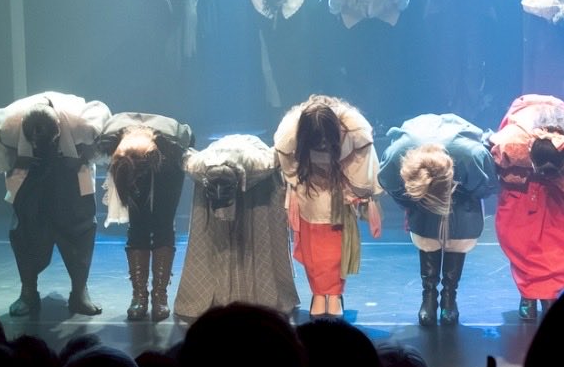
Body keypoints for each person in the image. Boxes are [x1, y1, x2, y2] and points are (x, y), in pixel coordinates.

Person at [0, 91, 112, 319]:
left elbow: (103, 135)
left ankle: (80, 292)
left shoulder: (83, 124)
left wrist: (83, 156)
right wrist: (17, 159)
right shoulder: (8, 128)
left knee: (81, 230)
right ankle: (28, 292)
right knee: (25, 230)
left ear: (59, 130)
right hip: (31, 172)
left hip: (70, 172)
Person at [377, 112, 500, 327]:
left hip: (461, 191)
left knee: (459, 235)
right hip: (421, 193)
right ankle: (429, 295)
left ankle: (449, 296)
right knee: (426, 236)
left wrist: (462, 192)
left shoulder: (472, 155)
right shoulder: (399, 153)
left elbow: (486, 186)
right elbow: (390, 183)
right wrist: (411, 201)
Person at [490, 93, 564, 321]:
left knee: (561, 242)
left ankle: (550, 293)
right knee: (522, 240)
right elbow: (496, 159)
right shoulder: (513, 141)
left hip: (561, 194)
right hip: (524, 191)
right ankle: (528, 295)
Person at [275, 95, 382, 317]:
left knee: (334, 248)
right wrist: (299, 183)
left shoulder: (355, 131)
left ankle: (334, 295)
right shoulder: (289, 133)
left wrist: (357, 193)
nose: (322, 146)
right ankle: (318, 293)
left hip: (339, 191)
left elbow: (362, 167)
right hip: (308, 189)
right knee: (312, 247)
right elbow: (289, 165)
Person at [174, 134, 299, 320]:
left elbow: (275, 156)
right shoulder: (199, 165)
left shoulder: (259, 163)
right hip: (217, 152)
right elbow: (187, 159)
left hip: (252, 150)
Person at [98, 112, 195, 323]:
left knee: (163, 224)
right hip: (132, 155)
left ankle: (160, 295)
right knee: (138, 226)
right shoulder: (117, 146)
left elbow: (190, 139)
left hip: (167, 164)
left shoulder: (172, 144)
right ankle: (139, 295)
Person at [419, 0, 504, 122]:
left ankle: (472, 111)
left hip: (475, 15)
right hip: (443, 16)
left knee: (475, 61)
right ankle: (449, 108)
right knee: (446, 60)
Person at [247, 0, 329, 112]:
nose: (278, 4)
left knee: (301, 72)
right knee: (278, 73)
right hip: (272, 36)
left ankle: (303, 113)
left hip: (299, 29)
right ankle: (284, 111)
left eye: (280, 0)